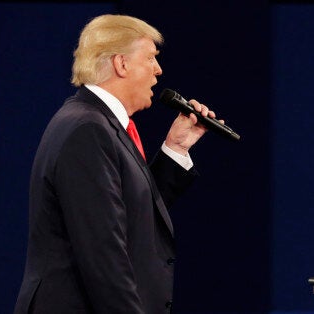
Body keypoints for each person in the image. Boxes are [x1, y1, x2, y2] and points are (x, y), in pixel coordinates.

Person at [14, 14, 221, 313]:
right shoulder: (87, 130)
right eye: (151, 57)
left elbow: (131, 216)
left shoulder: (95, 123)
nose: (158, 70)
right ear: (121, 63)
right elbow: (103, 254)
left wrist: (176, 147)